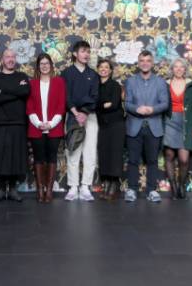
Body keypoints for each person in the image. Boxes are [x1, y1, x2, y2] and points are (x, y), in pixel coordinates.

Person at [124, 50, 169, 203]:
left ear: (152, 63)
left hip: (153, 126)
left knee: (152, 161)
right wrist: (137, 109)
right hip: (134, 126)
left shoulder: (160, 82)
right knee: (133, 160)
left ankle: (151, 190)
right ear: (138, 63)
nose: (145, 63)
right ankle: (132, 189)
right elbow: (127, 103)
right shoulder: (130, 81)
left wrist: (152, 109)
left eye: (148, 60)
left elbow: (165, 103)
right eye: (142, 60)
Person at [0, 49, 30, 202]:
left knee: (16, 157)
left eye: (13, 57)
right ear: (2, 60)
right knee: (1, 156)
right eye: (7, 57)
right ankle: (0, 189)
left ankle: (12, 189)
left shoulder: (22, 76)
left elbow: (25, 91)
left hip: (19, 123)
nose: (10, 59)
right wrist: (15, 91)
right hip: (0, 123)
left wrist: (4, 91)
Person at [61, 40, 99, 202]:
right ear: (75, 54)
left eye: (88, 51)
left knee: (90, 153)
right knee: (73, 152)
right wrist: (76, 112)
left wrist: (84, 112)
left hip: (90, 116)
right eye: (83, 51)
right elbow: (65, 96)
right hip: (72, 116)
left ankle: (85, 187)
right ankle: (73, 187)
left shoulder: (93, 75)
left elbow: (95, 96)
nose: (86, 54)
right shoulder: (66, 73)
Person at [27, 53, 66, 203]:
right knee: (38, 158)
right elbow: (29, 106)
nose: (44, 66)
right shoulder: (32, 83)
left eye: (47, 63)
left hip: (54, 127)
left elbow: (61, 106)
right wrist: (38, 123)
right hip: (35, 127)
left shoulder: (59, 82)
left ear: (51, 65)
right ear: (38, 66)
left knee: (51, 157)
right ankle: (40, 190)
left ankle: (49, 190)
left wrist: (51, 124)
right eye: (41, 64)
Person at [163, 58, 192, 200]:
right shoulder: (165, 84)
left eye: (181, 67)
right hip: (169, 121)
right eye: (176, 67)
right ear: (172, 69)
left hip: (186, 122)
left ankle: (182, 185)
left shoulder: (191, 85)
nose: (178, 69)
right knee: (169, 155)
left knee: (184, 159)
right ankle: (173, 187)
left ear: (185, 69)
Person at [95, 59, 125, 201]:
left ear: (111, 70)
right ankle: (106, 183)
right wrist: (102, 104)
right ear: (97, 69)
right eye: (101, 67)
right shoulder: (95, 85)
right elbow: (93, 104)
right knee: (104, 154)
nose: (104, 69)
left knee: (115, 154)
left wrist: (99, 105)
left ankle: (114, 185)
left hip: (116, 124)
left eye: (106, 67)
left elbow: (113, 104)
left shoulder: (115, 85)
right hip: (102, 125)